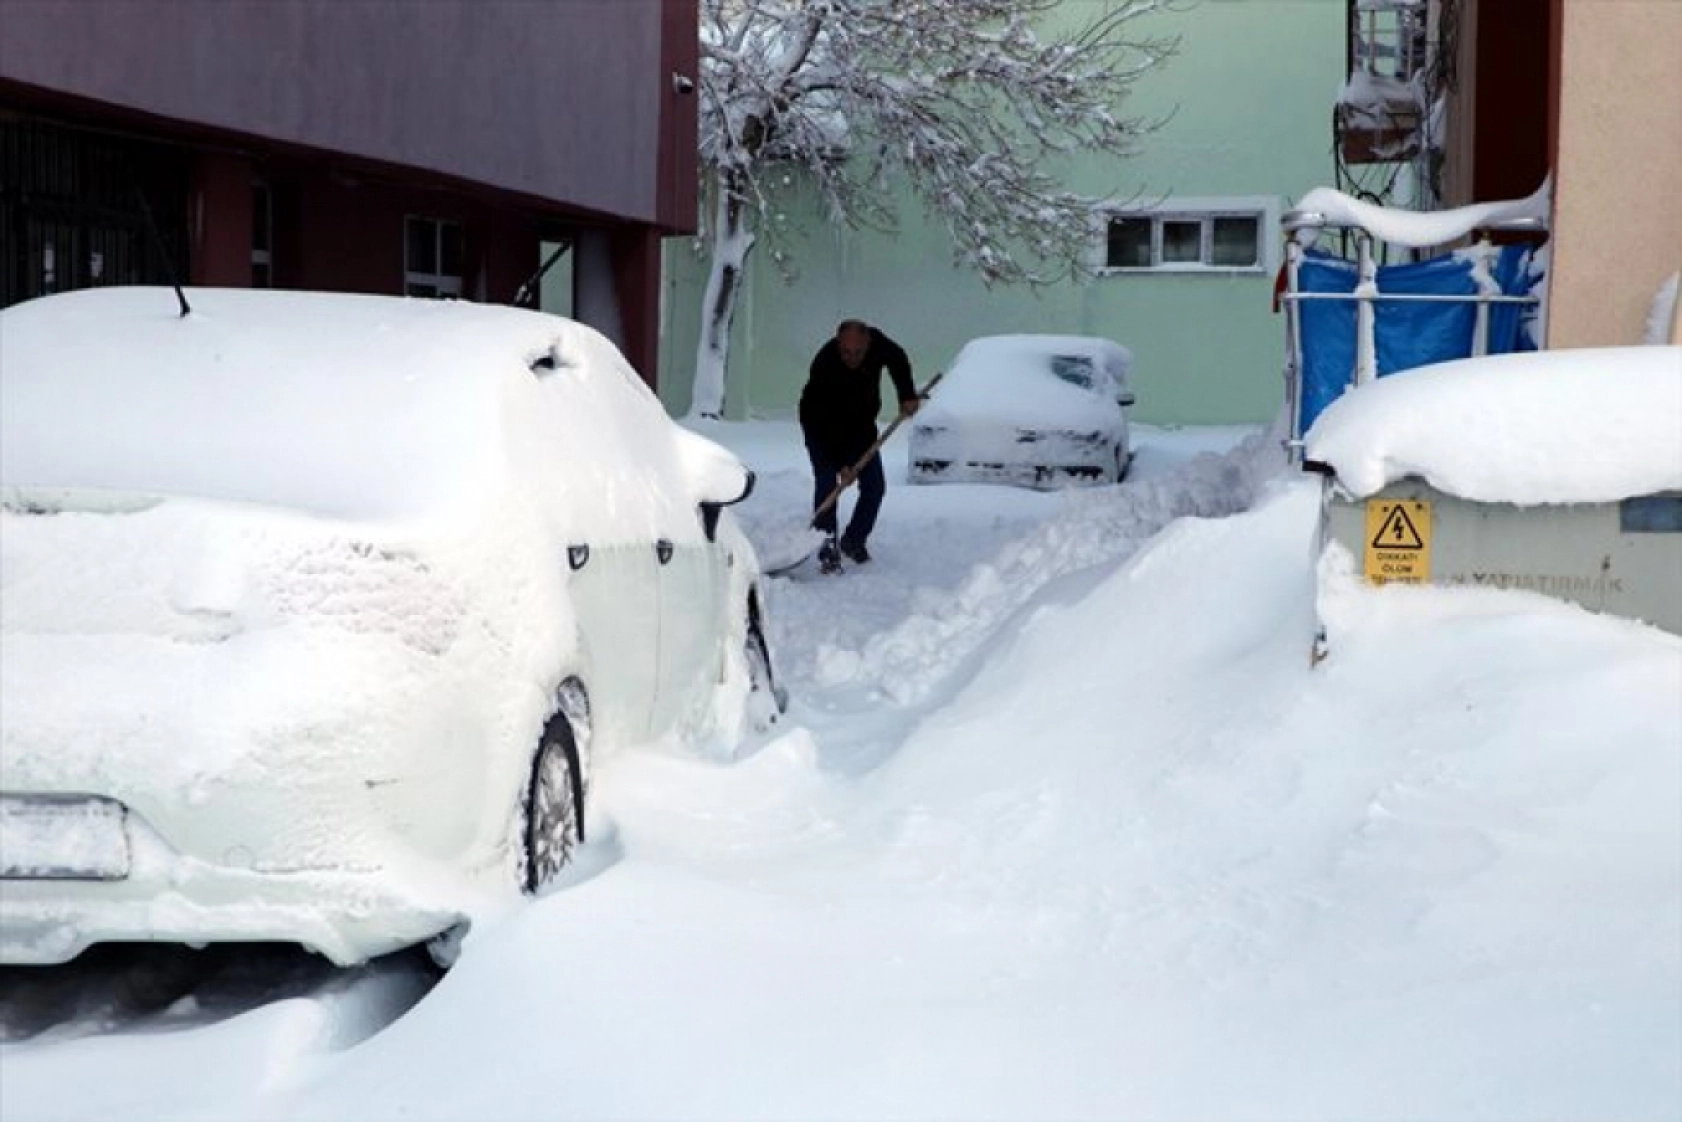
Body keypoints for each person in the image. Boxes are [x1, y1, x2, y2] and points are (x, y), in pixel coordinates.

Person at [798, 319, 919, 572]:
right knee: (827, 482)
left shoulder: (879, 344)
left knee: (874, 486)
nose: (851, 358)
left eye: (858, 352)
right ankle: (826, 546)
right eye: (846, 352)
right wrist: (842, 463)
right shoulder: (825, 365)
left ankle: (853, 540)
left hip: (861, 426)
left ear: (868, 344)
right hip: (821, 426)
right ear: (837, 343)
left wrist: (906, 394)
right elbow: (827, 422)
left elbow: (897, 359)